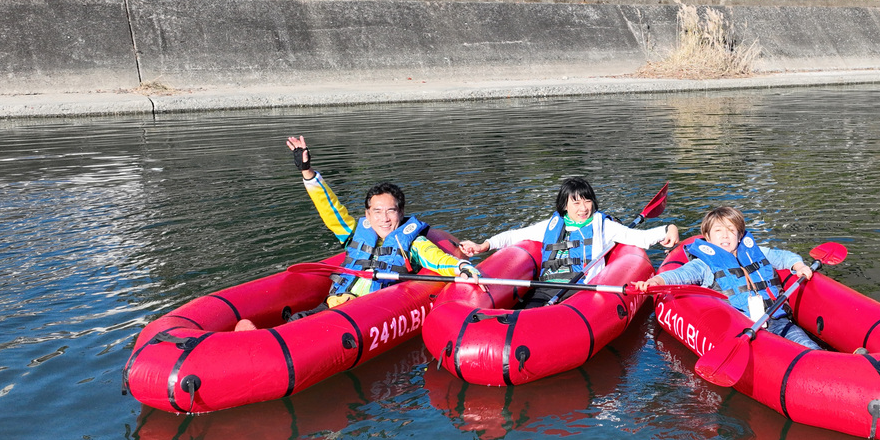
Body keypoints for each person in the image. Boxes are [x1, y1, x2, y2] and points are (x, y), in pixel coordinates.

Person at [285, 135, 477, 316]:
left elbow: (439, 260)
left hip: (369, 313)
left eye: (390, 211)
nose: (384, 218)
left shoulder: (413, 244)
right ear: (367, 214)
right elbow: (329, 208)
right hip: (334, 306)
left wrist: (462, 267)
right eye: (377, 211)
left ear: (401, 213)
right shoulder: (352, 233)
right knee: (296, 321)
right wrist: (307, 172)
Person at [459, 176, 679, 307]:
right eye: (576, 203)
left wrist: (668, 229)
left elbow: (638, 238)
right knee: (524, 315)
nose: (584, 208)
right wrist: (483, 245)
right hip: (544, 287)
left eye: (587, 200)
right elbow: (515, 235)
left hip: (581, 292)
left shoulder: (603, 225)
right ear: (564, 206)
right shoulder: (551, 225)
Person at [635, 205, 821, 350]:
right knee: (780, 353)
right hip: (744, 330)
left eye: (731, 230)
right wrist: (654, 282)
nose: (725, 235)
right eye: (718, 231)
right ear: (708, 237)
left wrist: (799, 265)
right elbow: (679, 275)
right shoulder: (704, 264)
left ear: (739, 235)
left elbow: (783, 257)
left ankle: (839, 365)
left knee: (809, 347)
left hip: (778, 320)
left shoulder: (755, 253)